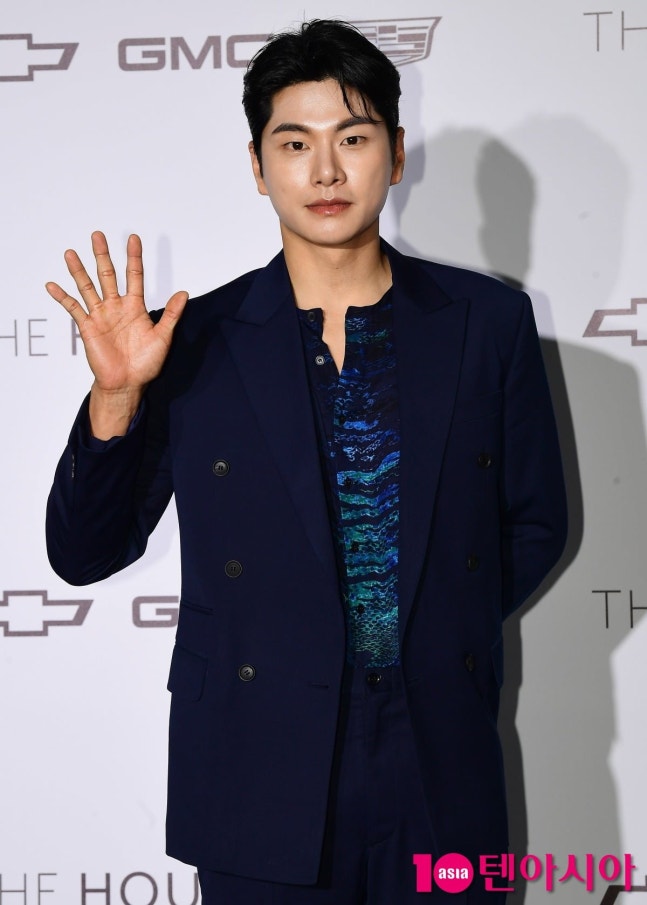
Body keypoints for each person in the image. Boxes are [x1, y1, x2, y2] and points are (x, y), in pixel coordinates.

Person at [45, 19, 567, 905]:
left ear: (395, 153)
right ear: (257, 166)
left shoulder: (486, 322)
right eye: (294, 144)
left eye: (352, 139)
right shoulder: (193, 340)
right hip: (258, 758)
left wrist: (432, 631)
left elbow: (535, 520)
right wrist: (117, 396)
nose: (325, 171)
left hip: (437, 755)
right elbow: (83, 551)